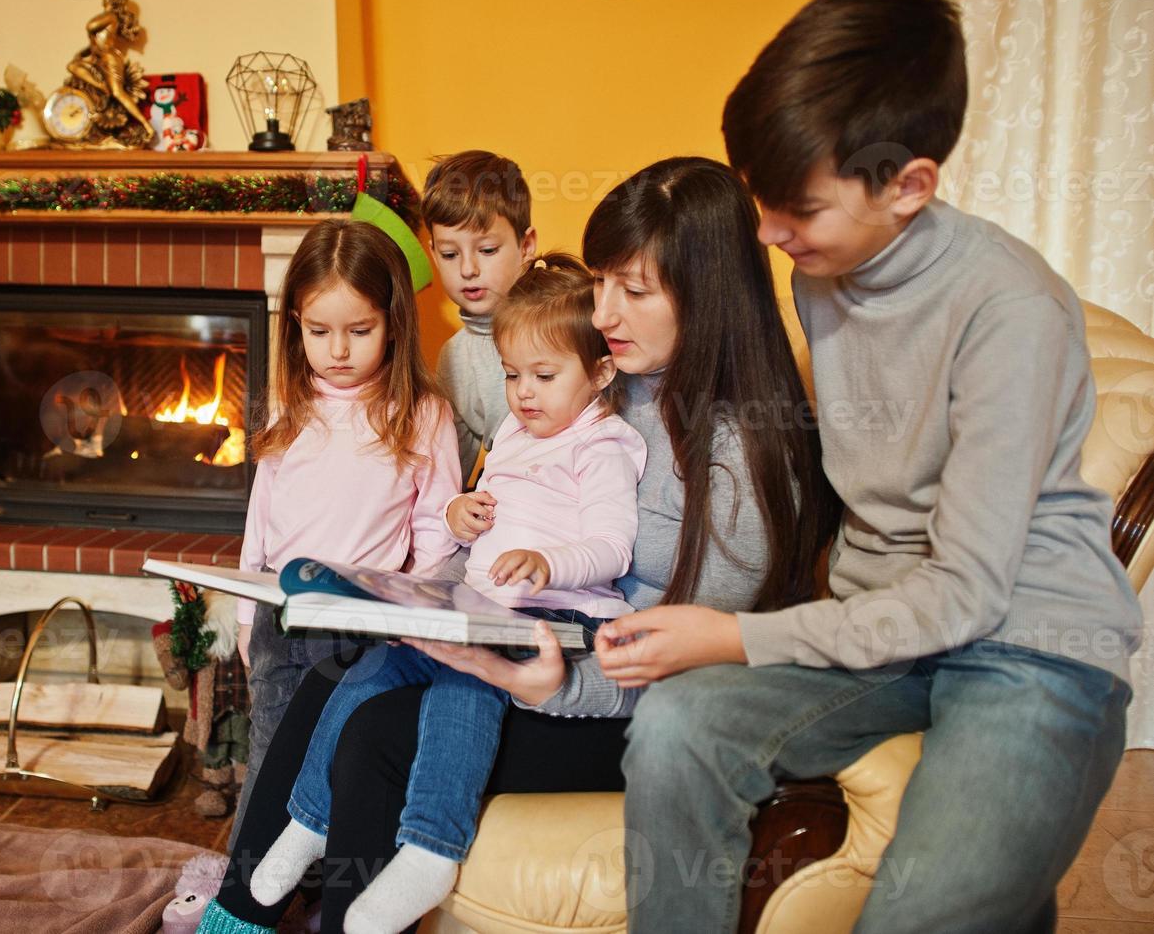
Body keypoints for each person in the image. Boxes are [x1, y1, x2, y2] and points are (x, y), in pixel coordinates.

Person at [606, 0, 1144, 932]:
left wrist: (731, 634)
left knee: (921, 914)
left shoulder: (1009, 312)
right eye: (758, 200)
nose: (766, 235)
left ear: (908, 186)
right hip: (880, 634)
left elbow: (964, 594)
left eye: (796, 210)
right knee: (679, 726)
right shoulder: (824, 271)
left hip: (1029, 644)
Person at [196, 157, 837, 933]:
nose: (603, 313)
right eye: (600, 283)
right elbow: (508, 514)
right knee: (342, 671)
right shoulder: (589, 381)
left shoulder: (741, 458)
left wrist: (554, 686)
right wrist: (427, 594)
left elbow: (687, 672)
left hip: (626, 700)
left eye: (632, 291)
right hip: (542, 633)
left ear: (707, 296)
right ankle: (239, 913)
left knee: (379, 732)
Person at [244, 257, 647, 932]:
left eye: (544, 377)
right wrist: (466, 512)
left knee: (463, 690)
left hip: (554, 616)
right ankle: (309, 818)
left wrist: (550, 564)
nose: (522, 393)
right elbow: (485, 511)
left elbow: (613, 547)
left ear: (601, 373)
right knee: (371, 665)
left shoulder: (602, 445)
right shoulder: (518, 435)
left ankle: (432, 846)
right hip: (485, 606)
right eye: (512, 375)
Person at [230, 219, 462, 842]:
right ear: (295, 326)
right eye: (318, 331)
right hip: (280, 616)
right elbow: (263, 514)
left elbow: (436, 533)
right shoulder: (290, 401)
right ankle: (241, 896)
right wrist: (243, 608)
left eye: (360, 332)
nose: (338, 350)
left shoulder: (422, 414)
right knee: (269, 757)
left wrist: (408, 621)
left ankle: (325, 890)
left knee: (333, 770)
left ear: (393, 323)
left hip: (363, 625)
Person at [425, 150, 538, 486]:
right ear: (433, 253)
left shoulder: (564, 322)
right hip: (510, 500)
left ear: (526, 245)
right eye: (449, 254)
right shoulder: (455, 358)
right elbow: (451, 472)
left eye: (487, 250)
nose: (468, 269)